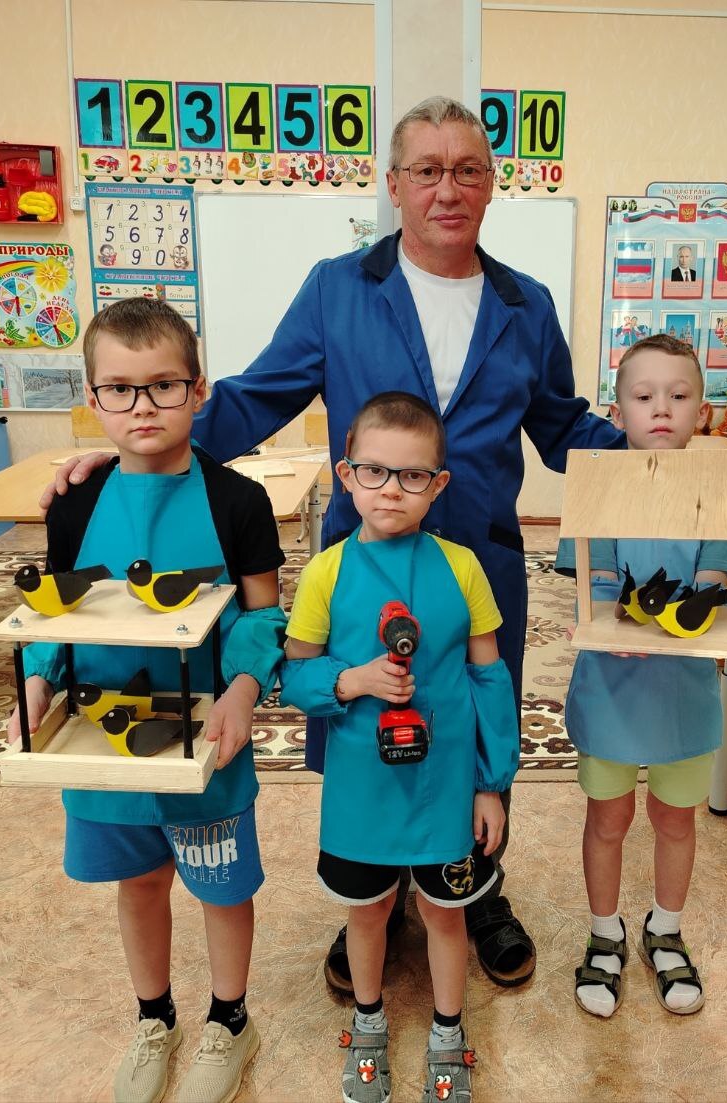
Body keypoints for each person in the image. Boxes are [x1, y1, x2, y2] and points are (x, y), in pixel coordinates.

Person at [47, 95, 623, 990]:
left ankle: (472, 885)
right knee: (361, 721)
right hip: (363, 568)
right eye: (426, 170)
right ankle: (371, 891)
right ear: (394, 184)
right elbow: (256, 396)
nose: (446, 188)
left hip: (479, 567)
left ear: (491, 183)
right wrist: (140, 446)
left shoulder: (527, 304)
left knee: (474, 713)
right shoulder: (338, 287)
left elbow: (560, 425)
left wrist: (657, 452)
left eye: (467, 169)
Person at [8, 298, 286, 1103]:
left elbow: (264, 615)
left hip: (207, 742)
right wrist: (37, 685)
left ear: (198, 390)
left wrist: (242, 689)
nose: (142, 407)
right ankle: (153, 1015)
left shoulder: (239, 502)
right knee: (139, 881)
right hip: (102, 734)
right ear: (92, 397)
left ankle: (230, 1019)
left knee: (222, 887)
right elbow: (56, 613)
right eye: (120, 389)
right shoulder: (75, 502)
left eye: (163, 386)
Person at [282, 391, 518, 1103]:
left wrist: (490, 781)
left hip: (445, 783)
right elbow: (295, 675)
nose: (391, 489)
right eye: (374, 471)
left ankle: (448, 1032)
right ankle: (368, 1023)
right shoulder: (325, 572)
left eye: (412, 475)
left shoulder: (463, 566)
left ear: (437, 485)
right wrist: (351, 680)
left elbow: (489, 676)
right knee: (367, 911)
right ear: (346, 474)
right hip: (362, 787)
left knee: (446, 913)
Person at [554, 335, 727, 1019]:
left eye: (679, 395)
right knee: (608, 818)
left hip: (683, 699)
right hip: (611, 692)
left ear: (703, 410)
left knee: (675, 819)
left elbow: (716, 585)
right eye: (643, 396)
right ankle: (604, 931)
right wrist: (622, 623)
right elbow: (594, 584)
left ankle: (665, 928)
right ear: (618, 411)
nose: (661, 408)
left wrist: (691, 616)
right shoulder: (599, 486)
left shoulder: (716, 496)